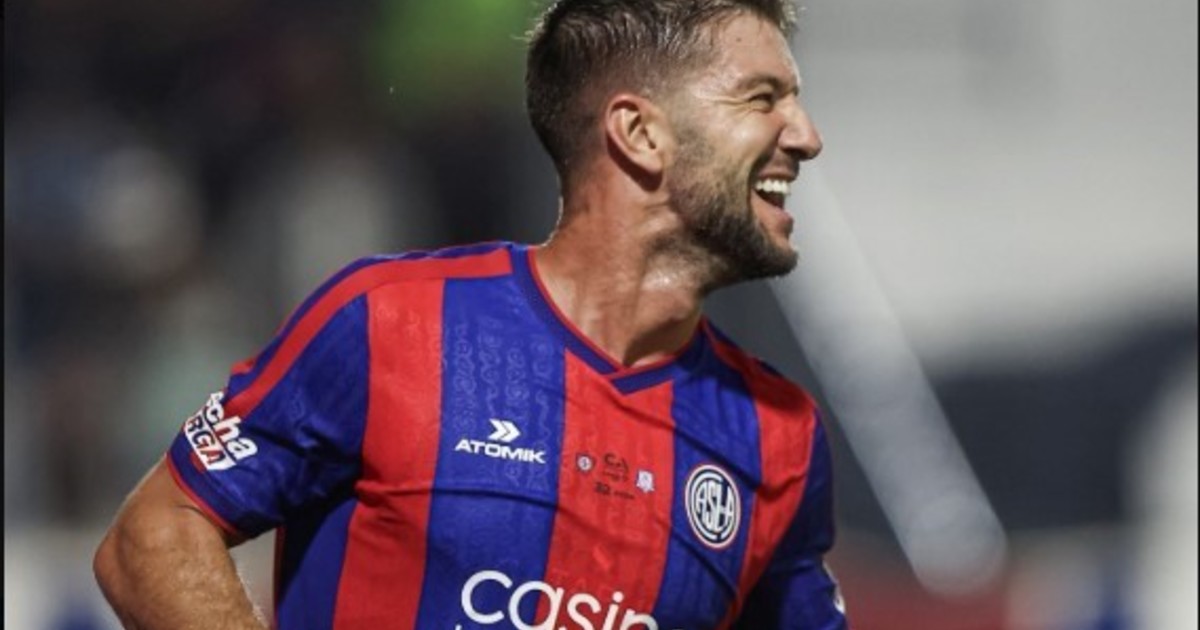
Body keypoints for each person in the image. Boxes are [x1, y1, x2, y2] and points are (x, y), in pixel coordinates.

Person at [93, 0, 847, 628]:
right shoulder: (393, 324)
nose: (807, 136)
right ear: (640, 134)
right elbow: (153, 537)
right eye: (762, 98)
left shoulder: (778, 434)